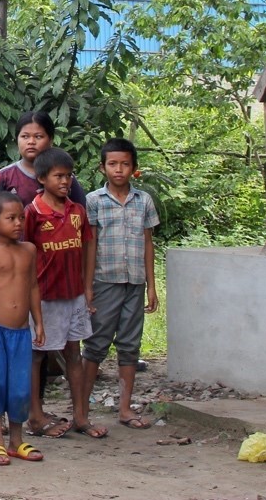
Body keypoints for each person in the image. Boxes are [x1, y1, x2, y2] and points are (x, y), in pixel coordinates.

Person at [76, 138, 159, 437]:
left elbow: (148, 243)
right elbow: (90, 245)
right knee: (96, 344)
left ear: (134, 168)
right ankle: (81, 411)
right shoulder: (94, 200)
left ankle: (125, 408)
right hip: (104, 281)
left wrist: (151, 285)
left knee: (129, 345)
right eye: (113, 164)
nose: (119, 169)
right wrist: (87, 287)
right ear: (103, 167)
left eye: (125, 164)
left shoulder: (144, 201)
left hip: (134, 282)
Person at [23, 147, 93, 439]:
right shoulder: (33, 212)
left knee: (74, 352)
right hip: (44, 295)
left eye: (68, 176)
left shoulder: (77, 212)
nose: (65, 182)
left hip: (73, 293)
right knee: (36, 355)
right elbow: (24, 251)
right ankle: (35, 416)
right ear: (42, 178)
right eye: (58, 176)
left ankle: (80, 416)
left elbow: (89, 246)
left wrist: (88, 288)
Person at [0, 191, 44, 464]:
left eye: (21, 218)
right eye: (11, 218)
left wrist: (38, 321)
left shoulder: (29, 250)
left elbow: (34, 287)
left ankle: (17, 440)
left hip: (21, 333)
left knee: (19, 388)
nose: (18, 223)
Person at [0, 111, 85, 206]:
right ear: (17, 139)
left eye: (38, 136)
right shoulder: (4, 176)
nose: (31, 142)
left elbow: (80, 210)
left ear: (51, 140)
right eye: (25, 136)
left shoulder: (65, 177)